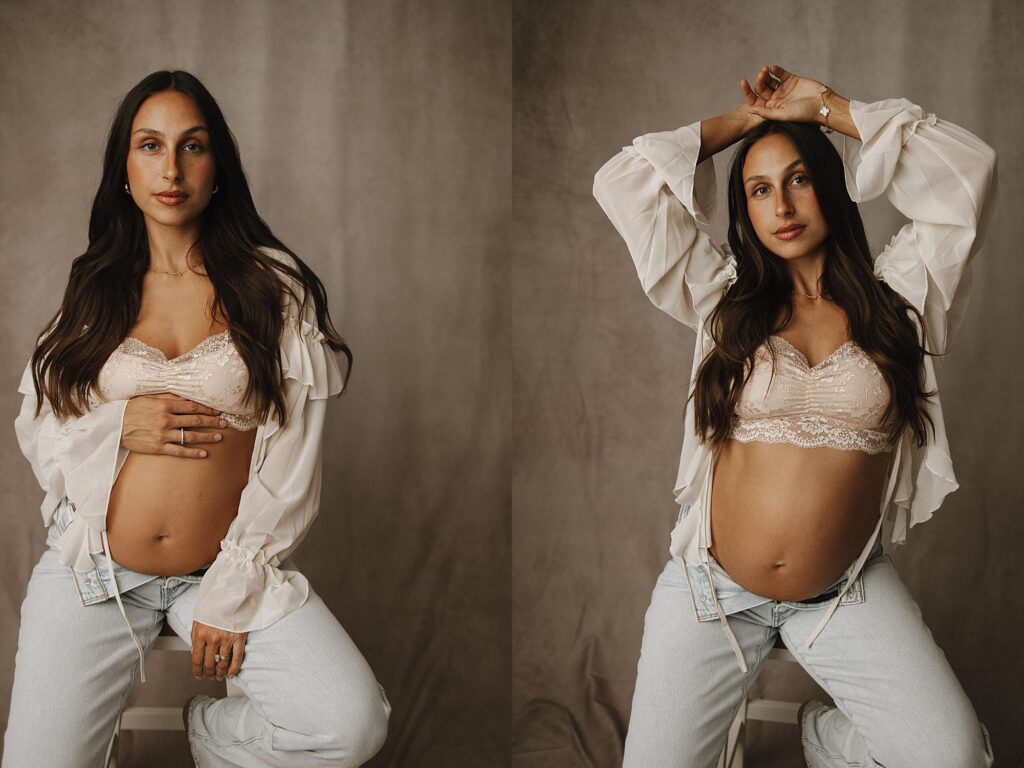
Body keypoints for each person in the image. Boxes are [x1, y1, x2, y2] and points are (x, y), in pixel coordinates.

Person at [593, 65, 997, 767]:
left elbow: (971, 170)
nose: (781, 204)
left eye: (798, 179)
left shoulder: (899, 301)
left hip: (844, 594)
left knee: (955, 758)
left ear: (830, 189)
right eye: (759, 189)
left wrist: (823, 110)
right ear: (744, 210)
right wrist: (749, 123)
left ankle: (822, 735)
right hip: (712, 595)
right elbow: (621, 183)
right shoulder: (723, 304)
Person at [3, 70, 389, 768]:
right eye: (150, 146)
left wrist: (234, 585)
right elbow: (42, 427)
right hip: (94, 568)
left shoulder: (274, 289)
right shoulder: (95, 288)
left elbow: (292, 458)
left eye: (193, 146)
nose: (171, 169)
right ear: (124, 170)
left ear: (219, 169)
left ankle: (210, 735)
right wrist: (119, 426)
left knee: (351, 723)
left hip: (220, 567)